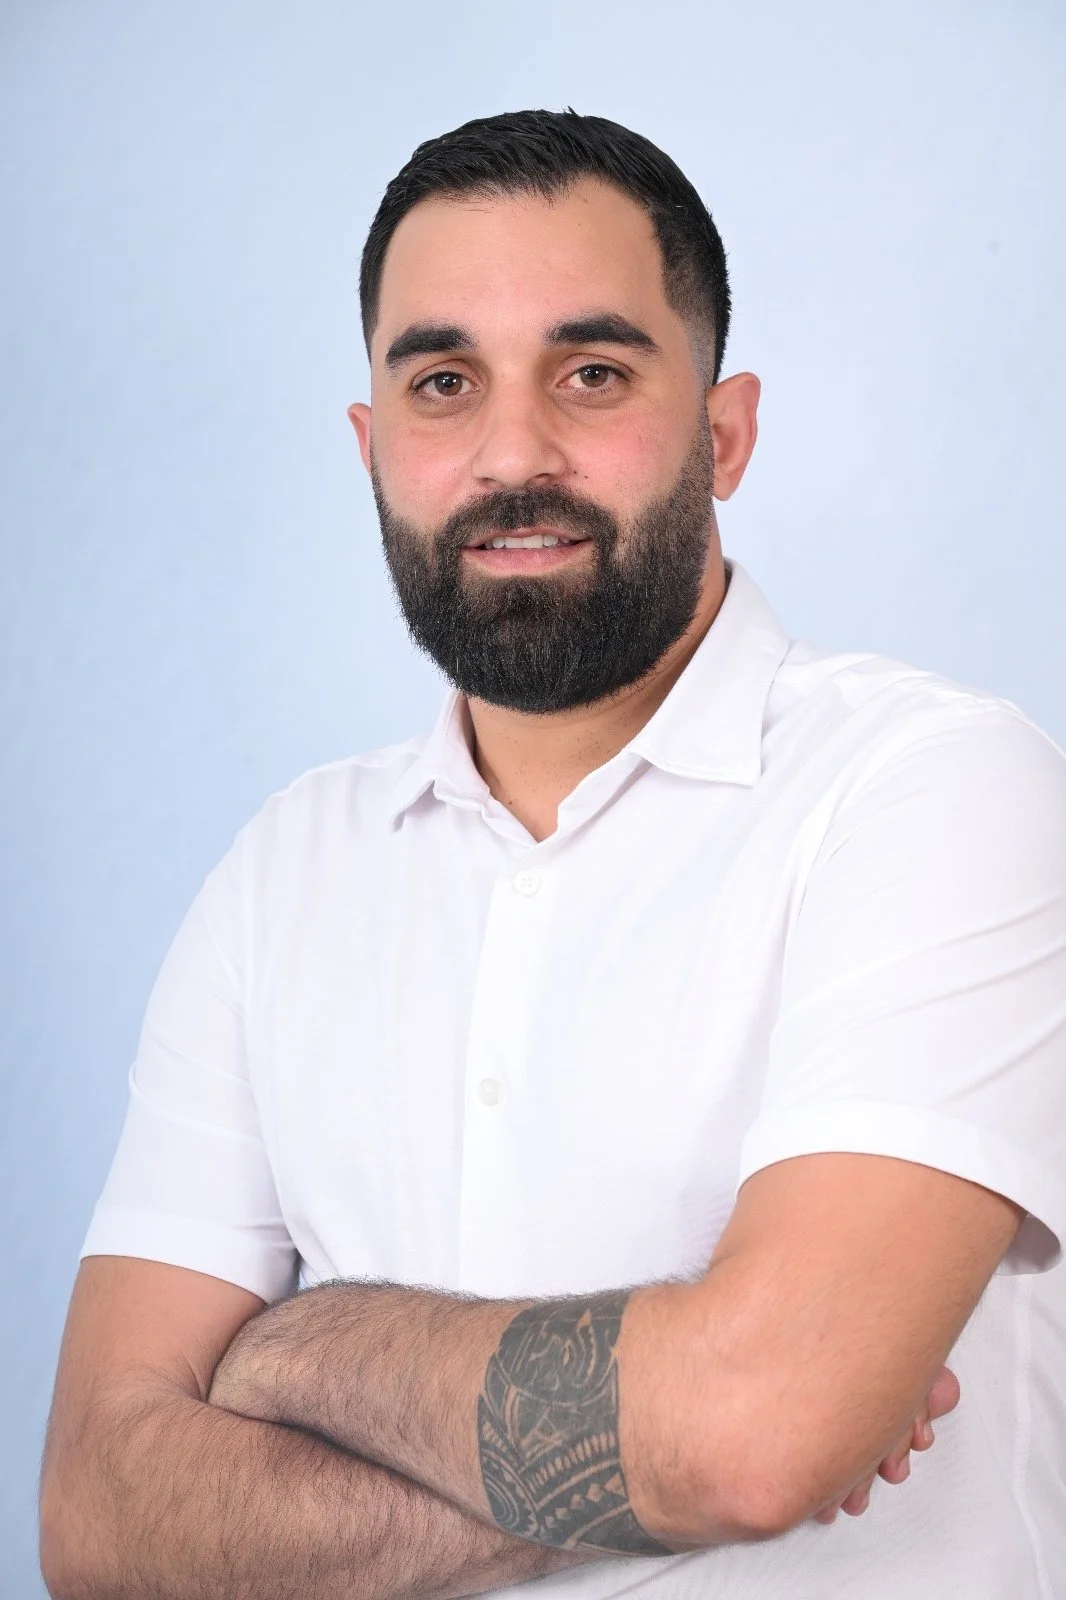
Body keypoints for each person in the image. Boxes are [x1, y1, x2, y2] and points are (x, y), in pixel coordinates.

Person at [40, 110, 1066, 1600]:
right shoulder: (283, 875)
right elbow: (97, 1520)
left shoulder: (931, 788)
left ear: (723, 429)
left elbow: (754, 1433)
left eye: (592, 373)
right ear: (371, 442)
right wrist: (681, 1434)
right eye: (443, 382)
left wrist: (294, 1354)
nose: (512, 452)